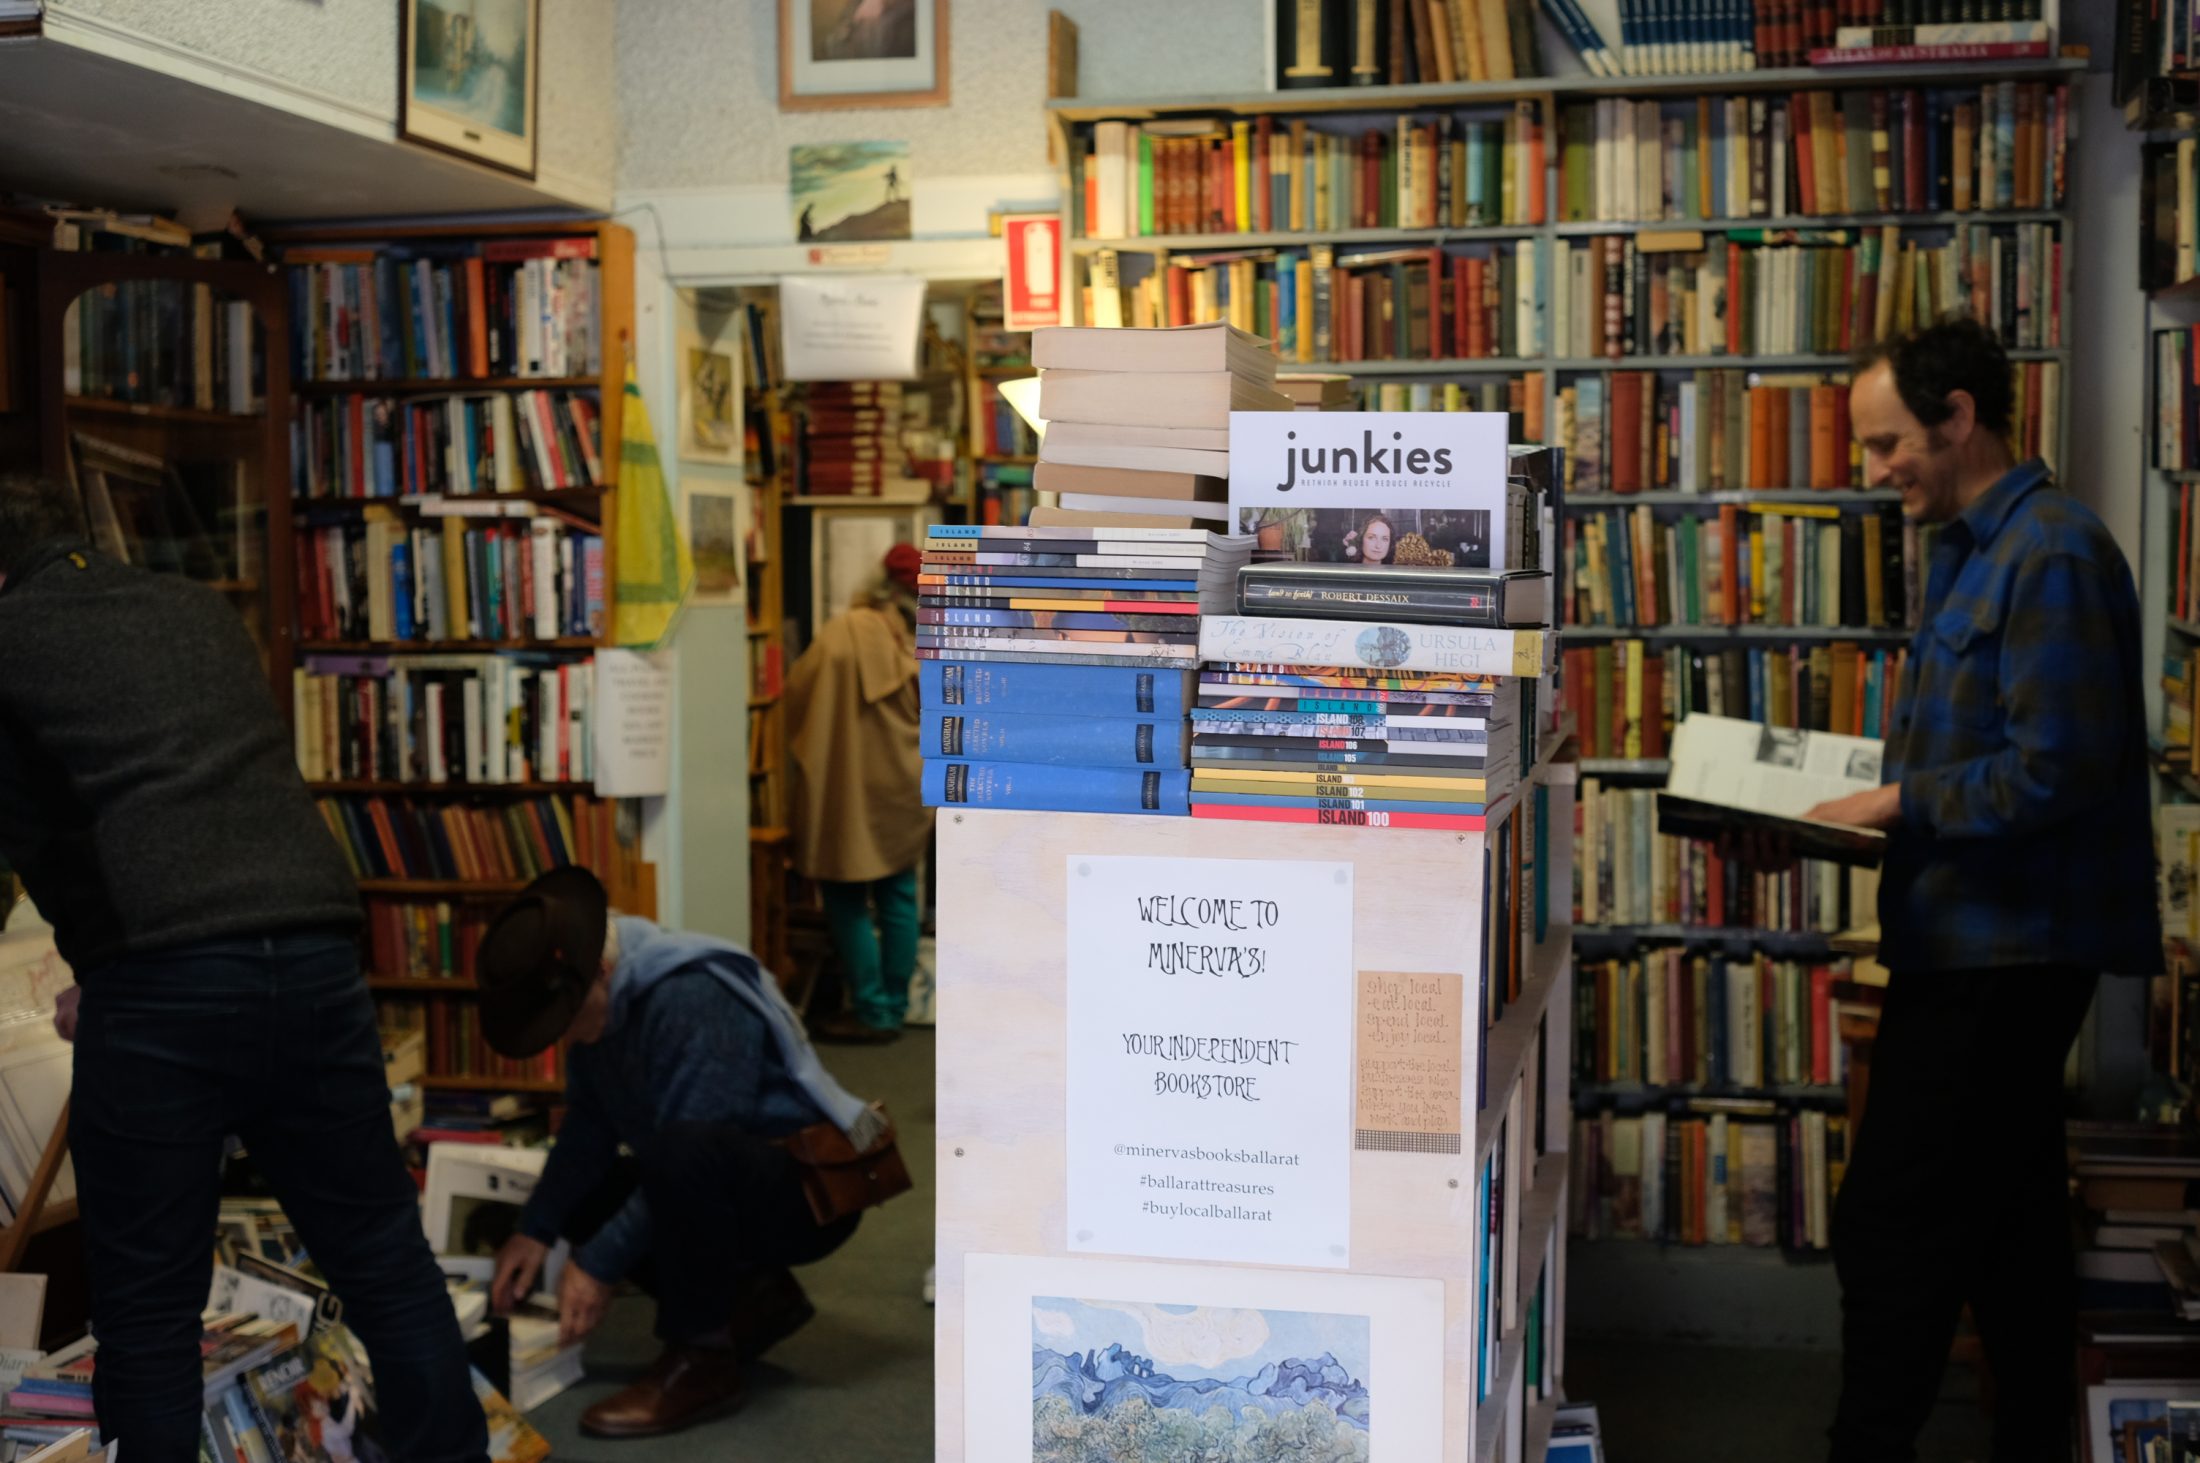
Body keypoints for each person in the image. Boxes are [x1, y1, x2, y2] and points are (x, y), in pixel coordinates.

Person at [0, 475, 486, 1462]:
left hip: (162, 987)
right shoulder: (195, 607)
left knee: (149, 1311)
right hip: (312, 948)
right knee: (387, 1263)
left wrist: (117, 965)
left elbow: (27, 827)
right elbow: (197, 793)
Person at [1796, 322, 2161, 1463]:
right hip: (1968, 937)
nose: (1877, 471)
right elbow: (1976, 759)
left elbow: (2059, 768)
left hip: (2007, 952)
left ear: (1958, 417)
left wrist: (1897, 804)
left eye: (1888, 443)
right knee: (2009, 1224)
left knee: (1891, 1222)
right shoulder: (1973, 547)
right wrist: (1839, 810)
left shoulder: (2050, 553)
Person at [481, 867, 890, 1438]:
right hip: (717, 1170)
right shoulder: (600, 1004)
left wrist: (597, 1266)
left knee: (681, 1152)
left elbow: (692, 1153)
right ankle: (756, 1299)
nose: (566, 1039)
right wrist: (536, 1229)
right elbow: (589, 1128)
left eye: (564, 1021)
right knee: (592, 1189)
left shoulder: (692, 995)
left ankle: (702, 1361)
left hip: (806, 1193)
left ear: (601, 973)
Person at [783, 543, 929, 1043]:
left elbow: (796, 692)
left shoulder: (841, 632)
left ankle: (870, 1008)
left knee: (844, 896)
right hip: (901, 784)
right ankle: (895, 1004)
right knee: (899, 894)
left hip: (844, 787)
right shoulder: (924, 637)